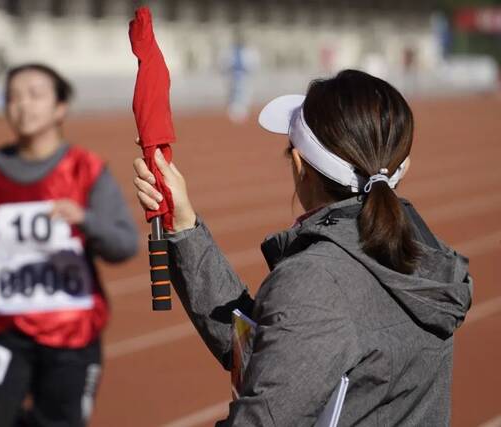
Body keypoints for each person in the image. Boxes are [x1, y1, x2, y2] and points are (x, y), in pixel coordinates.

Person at [132, 69, 472, 425]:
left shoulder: (316, 279)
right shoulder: (423, 251)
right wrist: (185, 229)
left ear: (300, 166)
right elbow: (271, 348)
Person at [0, 63, 139, 427]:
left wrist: (84, 219)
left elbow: (124, 244)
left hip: (72, 333)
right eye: (13, 97)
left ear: (60, 108)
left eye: (35, 95)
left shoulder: (86, 170)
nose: (23, 105)